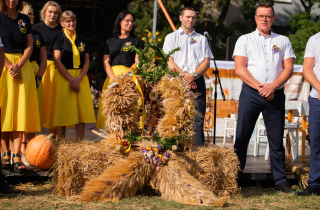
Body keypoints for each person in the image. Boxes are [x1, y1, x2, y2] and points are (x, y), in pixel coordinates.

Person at [233, 2, 296, 193]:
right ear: (255, 18)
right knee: (242, 137)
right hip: (251, 93)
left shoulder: (283, 40)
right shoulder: (245, 39)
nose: (264, 19)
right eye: (261, 16)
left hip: (275, 94)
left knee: (276, 140)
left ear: (273, 18)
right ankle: (235, 177)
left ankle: (280, 182)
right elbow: (240, 68)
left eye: (268, 16)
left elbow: (289, 68)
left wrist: (272, 86)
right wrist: (260, 87)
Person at [162, 7, 213, 147]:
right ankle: (175, 151)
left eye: (193, 17)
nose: (190, 20)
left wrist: (194, 75)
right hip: (176, 81)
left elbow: (207, 62)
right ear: (181, 18)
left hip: (198, 80)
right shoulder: (171, 37)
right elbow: (169, 61)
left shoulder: (201, 39)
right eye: (187, 17)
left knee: (197, 118)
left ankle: (197, 153)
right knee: (176, 117)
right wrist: (186, 77)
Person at [0, 0, 41, 173]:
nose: (11, 0)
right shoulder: (0, 17)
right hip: (3, 66)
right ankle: (4, 153)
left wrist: (20, 65)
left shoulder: (24, 19)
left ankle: (17, 154)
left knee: (19, 112)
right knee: (5, 110)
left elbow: (30, 45)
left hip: (23, 68)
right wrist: (10, 67)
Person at [96, 10, 144, 129]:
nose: (130, 23)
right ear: (120, 22)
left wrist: (125, 77)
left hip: (129, 79)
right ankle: (111, 140)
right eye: (127, 20)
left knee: (129, 110)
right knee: (112, 109)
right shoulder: (110, 42)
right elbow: (106, 62)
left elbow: (138, 63)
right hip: (112, 79)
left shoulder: (137, 41)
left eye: (132, 21)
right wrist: (113, 79)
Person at [52, 10, 96, 138]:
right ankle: (61, 143)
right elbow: (57, 61)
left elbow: (87, 61)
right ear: (62, 23)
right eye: (68, 21)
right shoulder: (58, 38)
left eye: (73, 20)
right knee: (63, 111)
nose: (72, 23)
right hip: (63, 77)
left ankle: (79, 144)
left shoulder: (82, 39)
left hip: (80, 76)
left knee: (81, 112)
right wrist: (71, 80)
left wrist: (79, 78)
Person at [20, 1, 47, 157]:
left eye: (32, 14)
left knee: (32, 113)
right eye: (28, 13)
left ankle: (31, 150)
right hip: (20, 72)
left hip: (35, 73)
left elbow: (43, 58)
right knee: (21, 112)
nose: (31, 16)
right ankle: (19, 151)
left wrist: (39, 77)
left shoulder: (37, 34)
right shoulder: (15, 31)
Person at [32, 1, 62, 134]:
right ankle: (28, 143)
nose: (53, 15)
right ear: (44, 12)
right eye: (50, 12)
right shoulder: (35, 29)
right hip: (41, 68)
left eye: (56, 12)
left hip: (58, 69)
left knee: (54, 106)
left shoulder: (62, 29)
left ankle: (54, 141)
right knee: (38, 104)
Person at [297, 33, 320, 196]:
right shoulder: (314, 39)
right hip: (317, 97)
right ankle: (315, 183)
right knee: (317, 141)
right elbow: (307, 68)